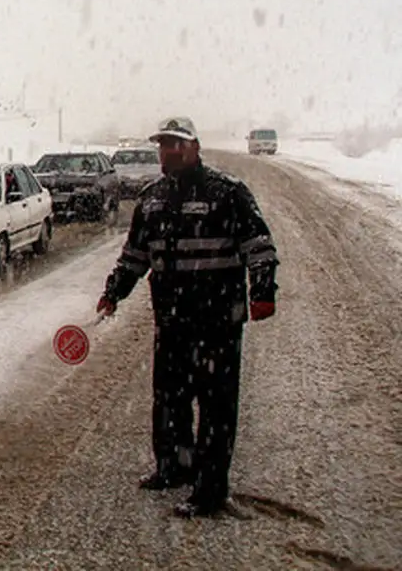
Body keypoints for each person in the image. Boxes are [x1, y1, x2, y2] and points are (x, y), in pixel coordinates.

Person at [96, 116, 279, 518]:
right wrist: (113, 292)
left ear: (195, 147)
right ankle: (174, 467)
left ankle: (210, 491)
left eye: (176, 145)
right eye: (163, 146)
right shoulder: (152, 198)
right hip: (172, 321)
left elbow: (259, 246)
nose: (169, 152)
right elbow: (135, 256)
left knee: (216, 408)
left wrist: (262, 291)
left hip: (218, 323)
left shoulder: (228, 192)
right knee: (169, 399)